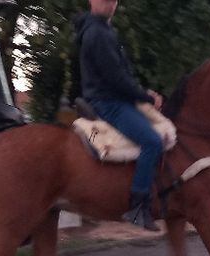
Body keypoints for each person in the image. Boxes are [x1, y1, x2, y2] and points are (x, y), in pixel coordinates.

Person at [75, 0, 163, 231]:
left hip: (112, 98)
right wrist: (147, 97)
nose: (111, 4)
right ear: (92, 1)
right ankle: (137, 205)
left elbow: (120, 76)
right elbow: (116, 79)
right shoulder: (98, 33)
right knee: (152, 141)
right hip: (109, 102)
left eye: (114, 1)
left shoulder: (101, 30)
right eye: (105, 0)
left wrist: (143, 94)